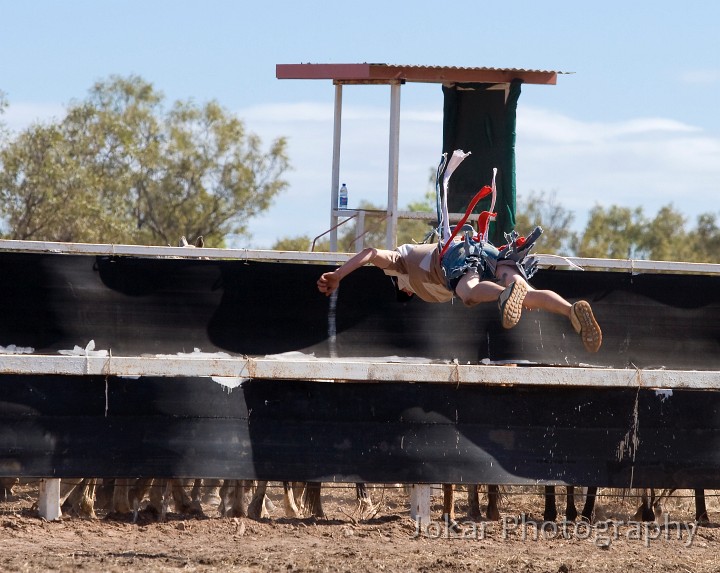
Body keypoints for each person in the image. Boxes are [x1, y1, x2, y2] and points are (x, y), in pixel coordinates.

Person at [316, 240, 602, 353]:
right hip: (488, 249)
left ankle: (506, 294)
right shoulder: (423, 285)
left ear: (401, 288)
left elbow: (370, 253)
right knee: (527, 295)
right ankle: (569, 310)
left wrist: (339, 275)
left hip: (455, 255)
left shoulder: (401, 265)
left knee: (467, 292)